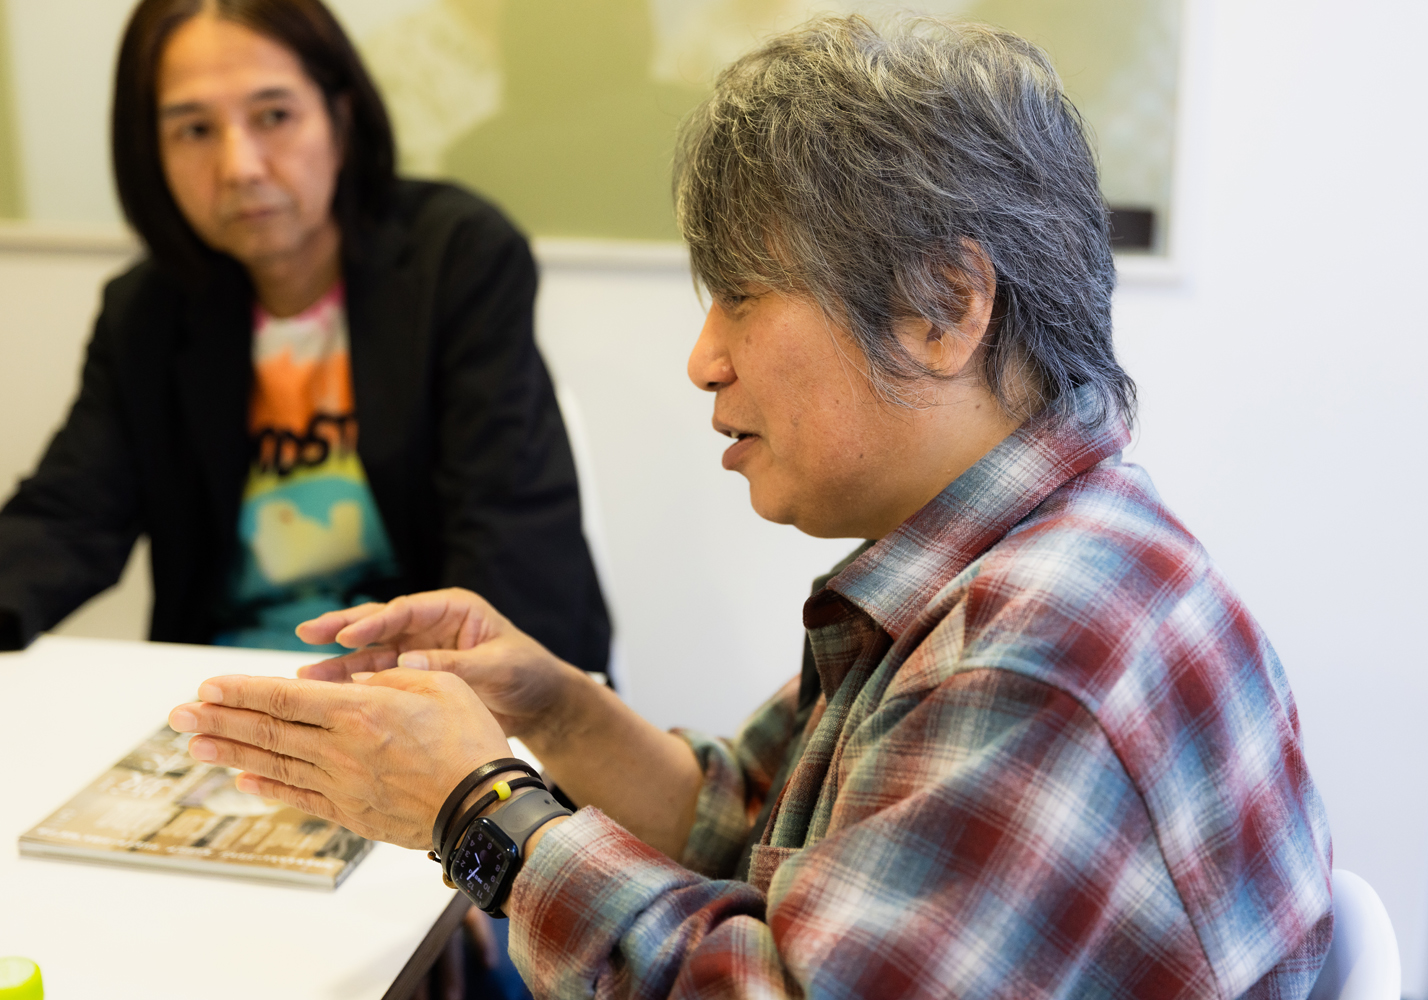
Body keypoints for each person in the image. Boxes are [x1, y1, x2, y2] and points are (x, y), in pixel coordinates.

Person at [168, 15, 1333, 998]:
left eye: (741, 294)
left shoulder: (1035, 656)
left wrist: (480, 805)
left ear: (944, 304)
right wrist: (553, 705)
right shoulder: (1009, 562)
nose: (701, 360)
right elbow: (746, 821)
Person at [0, 0, 611, 672]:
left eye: (273, 117)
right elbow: (67, 517)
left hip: (426, 681)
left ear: (341, 118)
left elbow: (510, 533)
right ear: (152, 151)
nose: (239, 167)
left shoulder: (456, 259)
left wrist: (447, 695)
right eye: (195, 129)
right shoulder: (145, 312)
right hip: (229, 690)